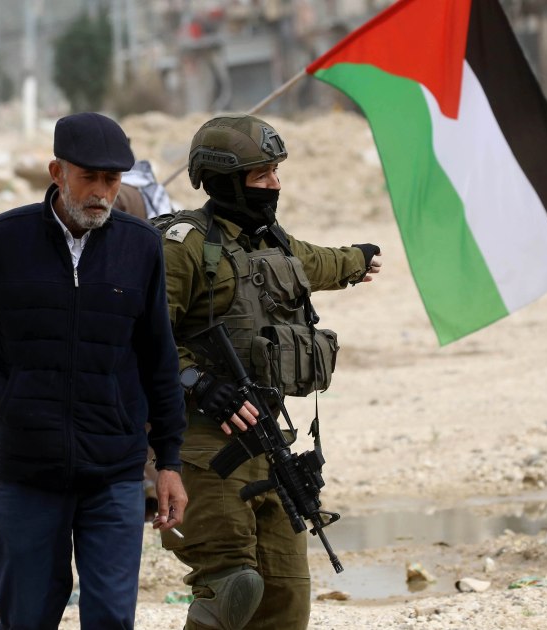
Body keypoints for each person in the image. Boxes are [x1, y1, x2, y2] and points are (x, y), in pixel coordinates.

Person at [0, 112, 187, 630]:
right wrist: (4, 393)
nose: (101, 192)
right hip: (28, 470)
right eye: (89, 177)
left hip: (115, 471)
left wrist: (171, 462)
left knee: (111, 619)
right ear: (57, 172)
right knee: (26, 617)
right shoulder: (1, 240)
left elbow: (160, 358)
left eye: (112, 180)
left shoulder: (140, 246)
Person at [158, 114, 381, 630]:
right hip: (205, 448)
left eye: (276, 172)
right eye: (262, 175)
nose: (275, 185)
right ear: (225, 181)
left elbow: (315, 262)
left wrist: (358, 259)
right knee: (232, 590)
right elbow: (141, 341)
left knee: (286, 599)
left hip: (269, 442)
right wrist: (197, 382)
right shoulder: (183, 247)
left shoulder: (270, 241)